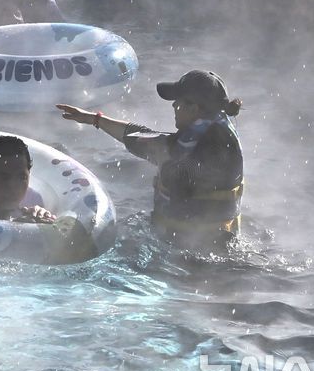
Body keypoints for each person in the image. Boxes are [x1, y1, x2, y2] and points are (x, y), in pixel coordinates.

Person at [57, 70, 243, 247]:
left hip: (200, 254)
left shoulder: (218, 147)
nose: (173, 106)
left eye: (177, 102)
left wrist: (163, 157)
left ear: (194, 108)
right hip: (190, 244)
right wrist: (94, 119)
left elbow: (181, 179)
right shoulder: (204, 134)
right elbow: (143, 138)